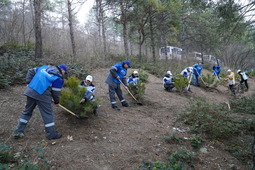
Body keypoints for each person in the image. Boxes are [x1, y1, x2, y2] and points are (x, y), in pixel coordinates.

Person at [14, 64, 68, 140]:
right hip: (42, 94)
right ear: (62, 70)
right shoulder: (58, 79)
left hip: (31, 91)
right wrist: (56, 102)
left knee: (27, 111)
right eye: (64, 73)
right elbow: (56, 93)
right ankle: (51, 134)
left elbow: (31, 71)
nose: (64, 75)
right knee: (48, 114)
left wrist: (29, 82)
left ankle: (18, 131)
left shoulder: (44, 68)